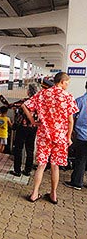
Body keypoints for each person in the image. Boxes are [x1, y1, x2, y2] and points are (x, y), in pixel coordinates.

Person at [22, 72, 78, 204]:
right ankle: (53, 194)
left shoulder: (43, 94)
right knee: (55, 166)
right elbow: (70, 121)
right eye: (67, 83)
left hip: (44, 134)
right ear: (62, 82)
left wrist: (33, 121)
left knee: (41, 165)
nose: (67, 86)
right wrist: (68, 137)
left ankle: (34, 194)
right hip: (60, 136)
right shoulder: (68, 97)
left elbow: (25, 105)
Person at [0, 84, 38, 177]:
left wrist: (0, 97)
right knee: (30, 149)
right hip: (33, 128)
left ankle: (17, 171)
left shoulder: (25, 102)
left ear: (28, 92)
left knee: (18, 149)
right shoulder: (39, 103)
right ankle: (28, 171)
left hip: (22, 128)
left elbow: (9, 105)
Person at [64, 81, 87, 190]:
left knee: (80, 159)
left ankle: (77, 182)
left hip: (82, 135)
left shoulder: (80, 101)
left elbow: (71, 119)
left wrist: (69, 133)